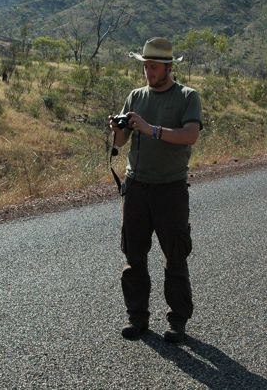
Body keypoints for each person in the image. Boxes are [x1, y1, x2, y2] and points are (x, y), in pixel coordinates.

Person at [109, 37, 202, 343]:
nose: (148, 71)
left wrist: (152, 130)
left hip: (170, 189)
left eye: (154, 67)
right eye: (145, 66)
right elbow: (121, 144)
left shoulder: (188, 96)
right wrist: (118, 130)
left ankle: (177, 322)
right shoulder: (135, 96)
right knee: (133, 256)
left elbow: (190, 136)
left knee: (175, 256)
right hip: (136, 187)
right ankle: (137, 319)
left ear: (168, 67)